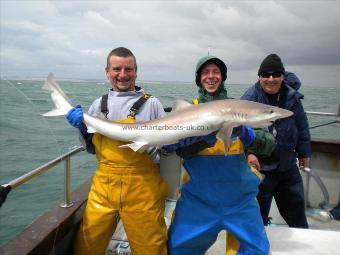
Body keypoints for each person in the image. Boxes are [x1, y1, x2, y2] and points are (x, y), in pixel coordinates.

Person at [164, 55, 274, 255]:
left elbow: (269, 145)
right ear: (199, 78)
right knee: (179, 249)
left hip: (239, 201)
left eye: (216, 72)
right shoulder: (189, 109)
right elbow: (180, 151)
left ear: (222, 77)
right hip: (198, 200)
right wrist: (198, 142)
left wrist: (248, 136)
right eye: (206, 72)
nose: (211, 76)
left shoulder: (243, 107)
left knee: (256, 251)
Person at [66, 47, 168, 255]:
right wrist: (82, 129)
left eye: (128, 69)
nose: (122, 75)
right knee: (87, 245)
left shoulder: (152, 104)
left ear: (136, 72)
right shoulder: (98, 105)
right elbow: (92, 149)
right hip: (104, 187)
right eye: (117, 69)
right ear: (107, 72)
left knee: (152, 249)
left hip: (144, 189)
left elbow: (164, 151)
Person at [241, 53, 311, 228]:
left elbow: (301, 126)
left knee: (297, 215)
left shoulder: (292, 96)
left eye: (275, 75)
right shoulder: (249, 98)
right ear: (260, 77)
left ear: (282, 76)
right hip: (260, 167)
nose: (271, 79)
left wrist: (304, 152)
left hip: (288, 166)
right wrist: (249, 153)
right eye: (266, 75)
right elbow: (239, 130)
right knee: (257, 219)